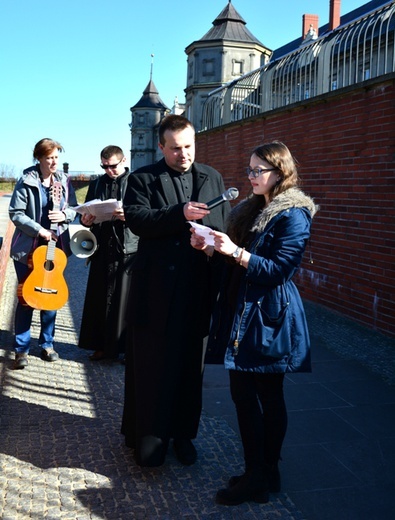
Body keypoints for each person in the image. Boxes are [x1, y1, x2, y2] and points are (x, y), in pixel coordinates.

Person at [191, 141, 318, 505]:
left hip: (268, 316)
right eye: (249, 170)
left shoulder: (293, 214)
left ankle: (258, 476)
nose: (250, 177)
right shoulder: (251, 209)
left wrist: (237, 252)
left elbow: (279, 270)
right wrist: (213, 247)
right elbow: (238, 261)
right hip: (243, 310)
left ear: (280, 172)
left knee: (261, 396)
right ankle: (263, 471)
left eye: (257, 171)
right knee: (246, 396)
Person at [121, 114, 230, 467]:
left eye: (189, 146)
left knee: (189, 369)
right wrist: (179, 214)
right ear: (161, 146)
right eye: (175, 148)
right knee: (152, 368)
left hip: (197, 289)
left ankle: (184, 435)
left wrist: (210, 239)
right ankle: (149, 438)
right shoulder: (142, 178)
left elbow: (224, 224)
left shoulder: (212, 176)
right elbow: (138, 220)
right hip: (156, 293)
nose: (184, 154)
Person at [9, 138, 77, 369]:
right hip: (28, 247)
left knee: (51, 297)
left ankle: (47, 344)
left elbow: (73, 210)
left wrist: (65, 216)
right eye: (49, 157)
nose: (54, 161)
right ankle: (21, 349)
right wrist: (39, 230)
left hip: (55, 248)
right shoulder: (26, 180)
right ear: (39, 158)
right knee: (26, 298)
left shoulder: (64, 181)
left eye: (57, 157)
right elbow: (16, 213)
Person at [78, 145, 138, 361]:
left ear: (123, 161)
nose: (108, 170)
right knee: (99, 298)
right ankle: (100, 345)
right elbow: (86, 212)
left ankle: (125, 349)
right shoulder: (97, 184)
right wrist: (85, 219)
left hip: (128, 248)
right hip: (101, 246)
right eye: (104, 166)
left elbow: (146, 214)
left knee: (126, 301)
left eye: (112, 166)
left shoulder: (136, 182)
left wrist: (129, 215)